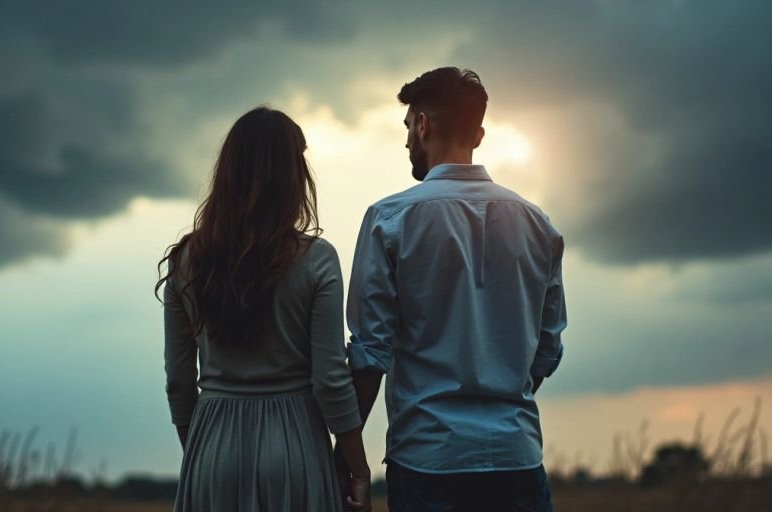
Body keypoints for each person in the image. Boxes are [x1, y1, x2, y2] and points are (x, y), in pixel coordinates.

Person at [340, 67, 566, 511]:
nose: (407, 141)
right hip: (518, 460)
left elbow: (369, 354)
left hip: (428, 462)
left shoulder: (390, 220)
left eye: (407, 127)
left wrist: (344, 455)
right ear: (478, 135)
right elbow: (547, 351)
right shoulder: (540, 225)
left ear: (422, 124)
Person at [158, 107, 372, 511]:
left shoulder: (186, 261)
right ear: (293, 178)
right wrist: (357, 468)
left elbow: (178, 382)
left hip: (212, 450)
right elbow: (329, 378)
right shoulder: (318, 260)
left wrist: (202, 451)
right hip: (296, 452)